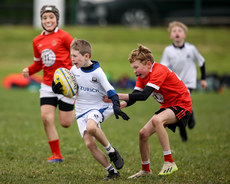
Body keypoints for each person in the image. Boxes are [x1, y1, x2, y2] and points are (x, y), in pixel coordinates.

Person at [53, 39, 130, 180]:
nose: (72, 59)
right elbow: (71, 91)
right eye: (71, 56)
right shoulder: (73, 70)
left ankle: (111, 151)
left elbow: (111, 90)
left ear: (86, 56)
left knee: (92, 127)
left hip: (98, 107)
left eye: (75, 56)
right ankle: (112, 171)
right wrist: (58, 89)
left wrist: (117, 106)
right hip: (81, 109)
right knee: (89, 144)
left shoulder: (98, 72)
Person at [117, 45, 192, 178]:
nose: (134, 72)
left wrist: (119, 95)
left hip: (182, 105)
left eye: (136, 67)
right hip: (167, 106)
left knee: (158, 120)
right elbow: (136, 95)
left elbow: (145, 95)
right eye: (133, 68)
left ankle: (169, 162)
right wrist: (123, 104)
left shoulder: (158, 71)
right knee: (143, 134)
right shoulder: (142, 75)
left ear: (148, 64)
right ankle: (146, 170)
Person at [22, 5, 75, 163]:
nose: (48, 20)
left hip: (65, 85)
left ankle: (76, 105)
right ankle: (56, 155)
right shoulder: (37, 40)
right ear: (41, 20)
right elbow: (39, 63)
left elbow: (77, 56)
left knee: (65, 123)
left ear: (56, 19)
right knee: (46, 118)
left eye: (51, 17)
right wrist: (29, 70)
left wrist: (76, 76)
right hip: (47, 85)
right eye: (45, 18)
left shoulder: (65, 37)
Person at [160, 21, 207, 142]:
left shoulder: (191, 49)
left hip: (188, 83)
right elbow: (163, 68)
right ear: (170, 35)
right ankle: (185, 128)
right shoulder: (168, 51)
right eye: (174, 31)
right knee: (178, 108)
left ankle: (190, 119)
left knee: (181, 105)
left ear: (184, 35)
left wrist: (203, 79)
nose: (177, 33)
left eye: (179, 31)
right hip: (174, 84)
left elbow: (201, 62)